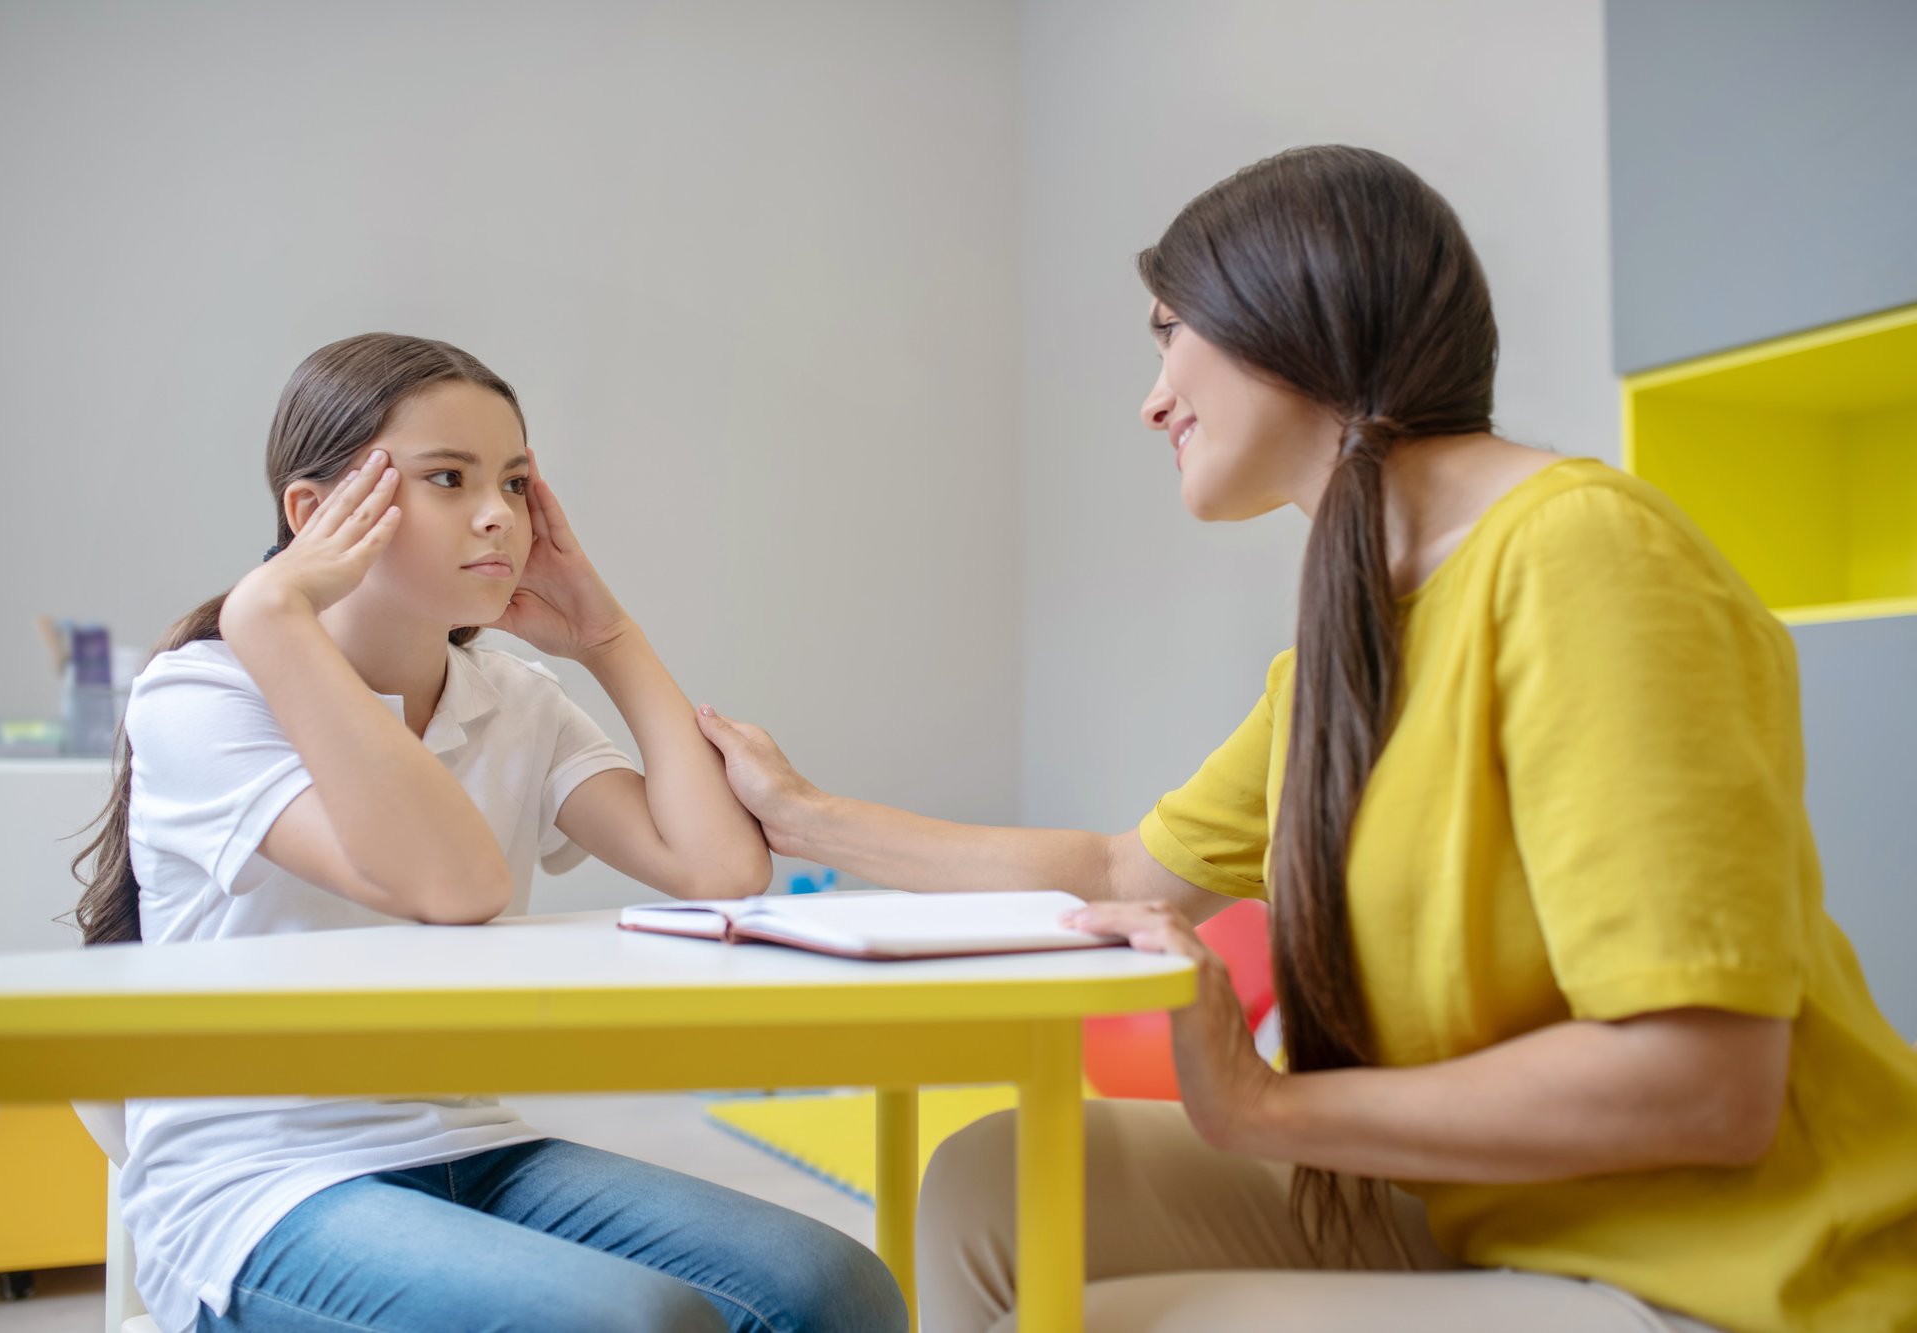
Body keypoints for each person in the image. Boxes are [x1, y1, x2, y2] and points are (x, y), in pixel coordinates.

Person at [693, 146, 1917, 1332]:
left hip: (1742, 1279)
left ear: (1293, 313)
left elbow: (1703, 1087)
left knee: (1101, 1320)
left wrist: (1265, 1107)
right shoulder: (1352, 637)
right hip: (1497, 1218)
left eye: (1170, 330)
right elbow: (1123, 870)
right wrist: (799, 813)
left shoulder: (1582, 557)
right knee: (992, 1184)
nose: (1152, 394)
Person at [73, 333, 907, 1333]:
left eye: (513, 481)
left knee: (837, 1286)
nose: (496, 515)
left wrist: (608, 638)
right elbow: (450, 882)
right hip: (255, 1184)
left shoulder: (512, 695)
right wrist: (274, 618)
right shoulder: (204, 694)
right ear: (312, 514)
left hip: (467, 1143)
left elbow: (719, 871)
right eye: (446, 478)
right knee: (632, 1322)